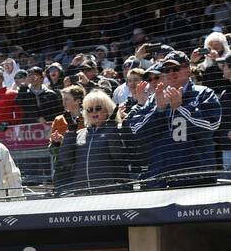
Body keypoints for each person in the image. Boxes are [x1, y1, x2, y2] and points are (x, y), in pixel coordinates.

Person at [125, 50, 223, 182]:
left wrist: (181, 108)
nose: (171, 73)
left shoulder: (204, 93)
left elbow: (212, 126)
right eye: (166, 69)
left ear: (188, 70)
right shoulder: (155, 98)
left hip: (196, 176)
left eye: (176, 68)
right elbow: (136, 130)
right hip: (160, 175)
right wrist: (158, 110)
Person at [54, 90, 132, 193]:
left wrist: (111, 129)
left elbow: (117, 154)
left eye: (98, 108)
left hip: (110, 192)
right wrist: (71, 133)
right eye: (89, 109)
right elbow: (66, 161)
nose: (94, 112)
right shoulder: (80, 133)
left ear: (107, 109)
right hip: (82, 192)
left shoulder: (118, 128)